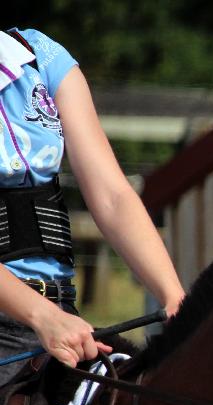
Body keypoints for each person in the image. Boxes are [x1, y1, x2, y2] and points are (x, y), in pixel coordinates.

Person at [0, 28, 184, 384]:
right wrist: (41, 317)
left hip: (62, 316)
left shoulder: (40, 56)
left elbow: (112, 195)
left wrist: (173, 295)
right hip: (39, 321)